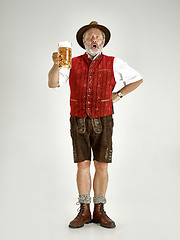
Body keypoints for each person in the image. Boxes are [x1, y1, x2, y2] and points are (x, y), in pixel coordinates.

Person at [48, 21, 143, 229]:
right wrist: (56, 64)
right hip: (78, 120)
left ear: (103, 41)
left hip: (104, 120)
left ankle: (99, 209)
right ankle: (84, 209)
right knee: (82, 165)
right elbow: (53, 83)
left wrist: (119, 94)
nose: (94, 39)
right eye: (90, 37)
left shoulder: (114, 62)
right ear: (83, 42)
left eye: (98, 37)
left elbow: (137, 79)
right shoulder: (70, 62)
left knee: (101, 165)